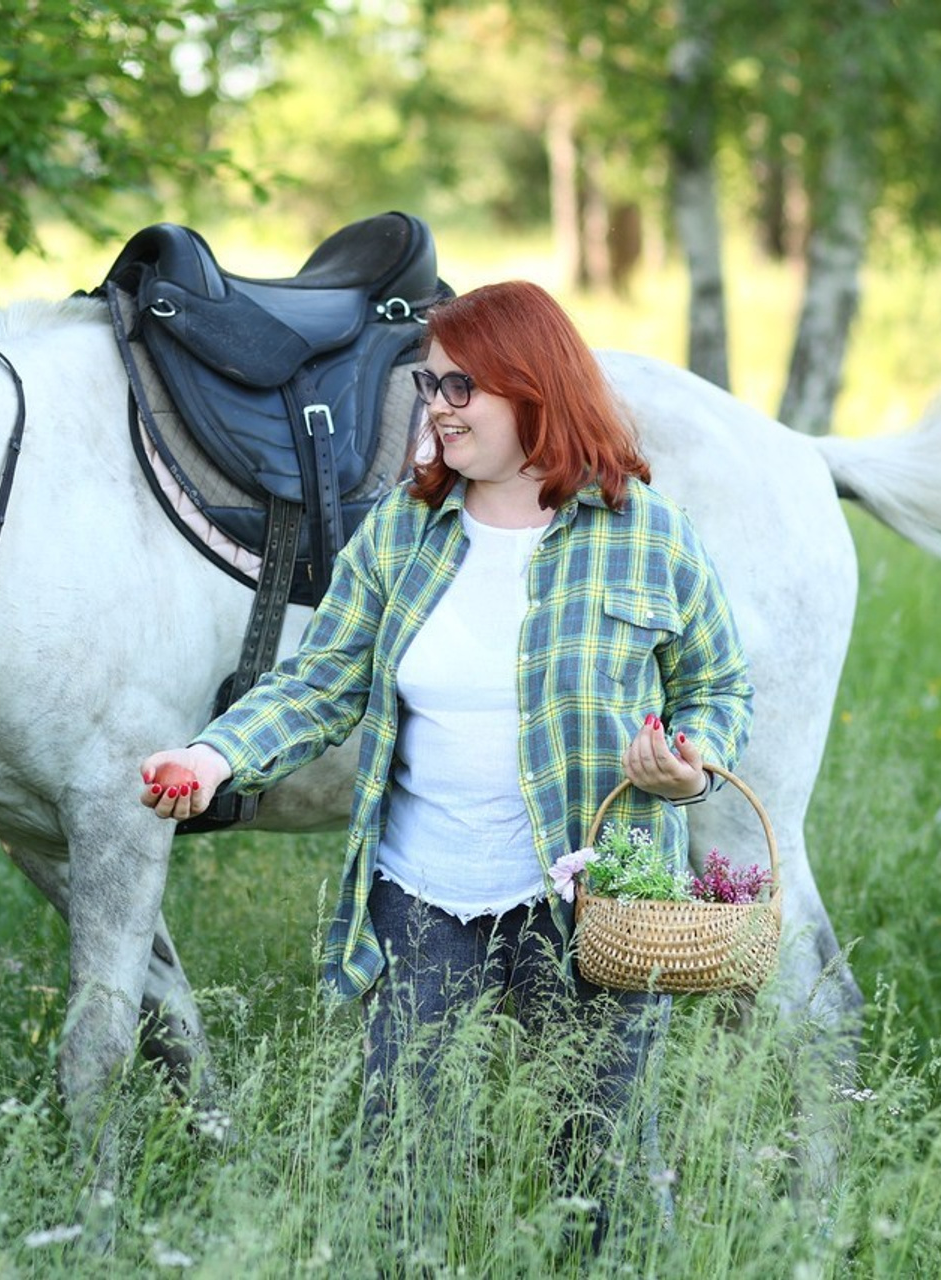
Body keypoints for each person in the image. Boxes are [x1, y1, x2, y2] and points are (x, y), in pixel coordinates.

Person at [140, 281, 753, 1240]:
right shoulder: (401, 531)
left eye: (464, 385)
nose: (439, 405)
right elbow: (322, 681)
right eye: (433, 384)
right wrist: (217, 756)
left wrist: (694, 764)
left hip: (597, 899)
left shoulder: (647, 534)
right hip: (423, 897)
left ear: (534, 387)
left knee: (603, 1177)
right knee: (400, 1174)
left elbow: (718, 689)